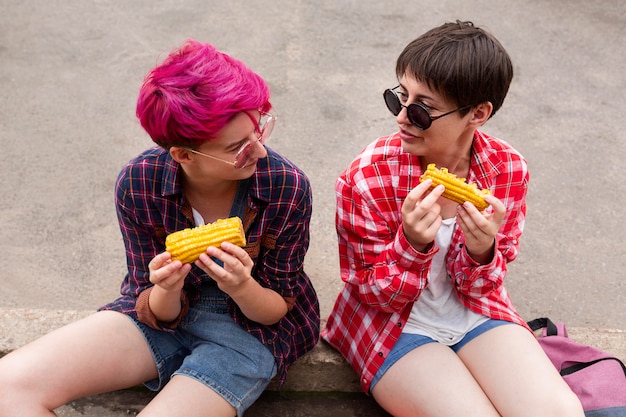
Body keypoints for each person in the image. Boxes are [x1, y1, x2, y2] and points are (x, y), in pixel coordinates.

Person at [0, 39, 320, 417]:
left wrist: (240, 284)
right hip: (163, 318)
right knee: (8, 388)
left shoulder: (284, 185)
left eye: (260, 129)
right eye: (239, 146)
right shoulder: (139, 183)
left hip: (248, 333)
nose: (260, 150)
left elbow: (275, 311)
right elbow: (154, 307)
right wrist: (166, 287)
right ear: (184, 155)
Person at [321, 21, 583, 417]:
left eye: (423, 110)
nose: (402, 118)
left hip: (475, 313)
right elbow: (374, 295)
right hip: (393, 326)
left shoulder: (507, 168)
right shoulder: (366, 177)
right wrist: (411, 244)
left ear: (477, 113)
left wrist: (482, 250)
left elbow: (483, 289)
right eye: (400, 98)